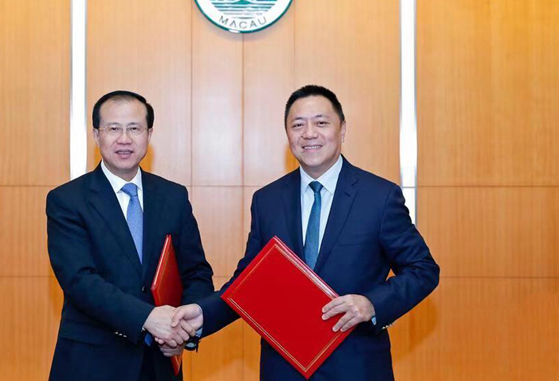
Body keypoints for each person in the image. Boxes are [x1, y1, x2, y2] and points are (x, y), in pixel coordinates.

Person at [172, 85, 439, 380]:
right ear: (287, 134)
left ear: (342, 129)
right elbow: (250, 282)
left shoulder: (379, 196)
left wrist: (372, 304)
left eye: (321, 123)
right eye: (298, 125)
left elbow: (423, 269)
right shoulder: (267, 200)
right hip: (283, 368)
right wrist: (203, 315)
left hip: (356, 366)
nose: (309, 134)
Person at [47, 90, 214, 381]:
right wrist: (147, 318)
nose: (124, 139)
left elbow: (196, 272)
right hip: (92, 363)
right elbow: (79, 280)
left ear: (149, 134)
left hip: (159, 362)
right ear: (96, 135)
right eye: (113, 129)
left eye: (134, 128)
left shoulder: (173, 196)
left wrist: (184, 330)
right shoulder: (68, 200)